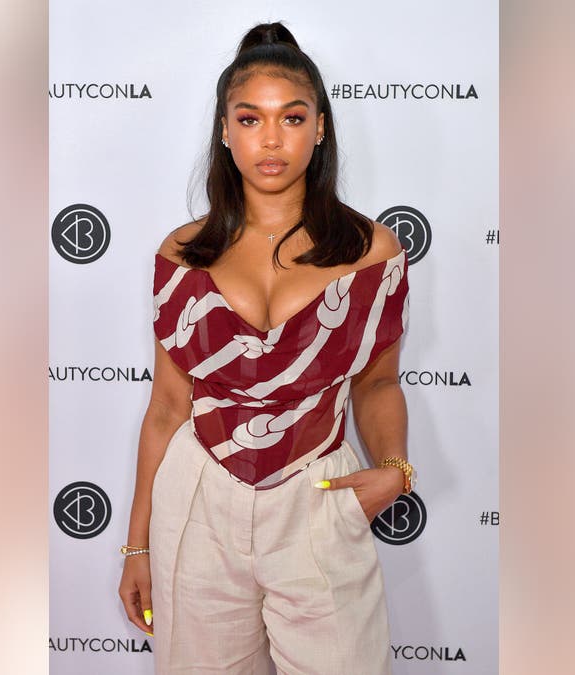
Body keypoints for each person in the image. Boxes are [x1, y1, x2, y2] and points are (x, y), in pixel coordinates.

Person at [118, 21, 416, 675]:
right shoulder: (182, 254)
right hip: (197, 503)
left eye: (292, 117)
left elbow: (377, 383)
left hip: (317, 492)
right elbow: (168, 407)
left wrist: (395, 464)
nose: (272, 138)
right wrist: (136, 545)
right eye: (250, 119)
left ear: (320, 128)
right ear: (226, 132)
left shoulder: (373, 254)